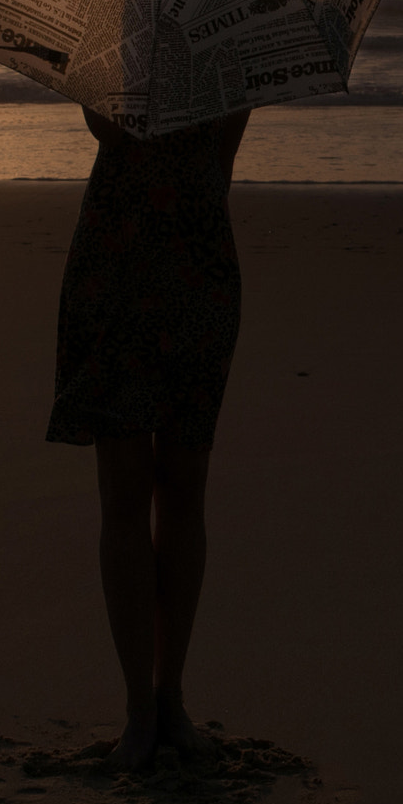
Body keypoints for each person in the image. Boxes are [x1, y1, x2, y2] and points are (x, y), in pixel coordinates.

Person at [46, 104, 252, 770]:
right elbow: (110, 129)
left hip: (189, 254)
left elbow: (223, 152)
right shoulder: (118, 18)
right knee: (129, 489)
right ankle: (143, 707)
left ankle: (167, 701)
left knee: (183, 487)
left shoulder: (224, 34)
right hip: (124, 253)